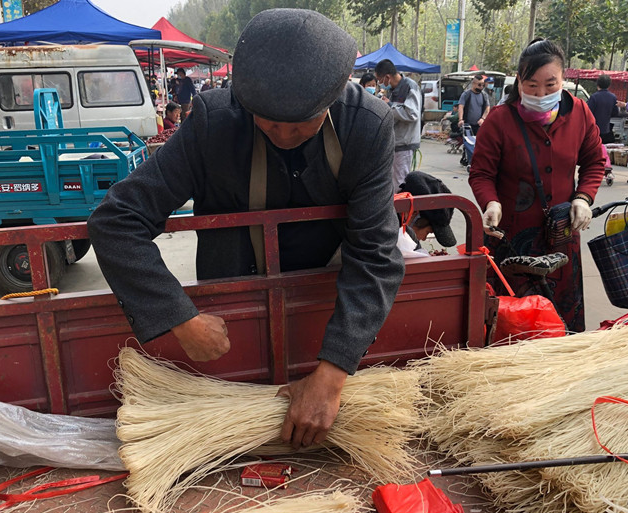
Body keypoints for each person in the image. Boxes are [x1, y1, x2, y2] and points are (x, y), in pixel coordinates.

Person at [87, 9, 404, 451]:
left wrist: (332, 376)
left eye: (300, 123)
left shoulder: (367, 127)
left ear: (334, 96)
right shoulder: (214, 122)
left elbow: (375, 254)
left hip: (330, 314)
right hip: (235, 320)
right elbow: (117, 220)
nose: (282, 133)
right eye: (267, 120)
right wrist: (179, 316)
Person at [469, 38, 605, 333]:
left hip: (561, 236)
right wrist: (490, 202)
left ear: (563, 80)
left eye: (550, 85)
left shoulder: (580, 113)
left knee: (562, 319)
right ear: (519, 81)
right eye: (531, 85)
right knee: (513, 321)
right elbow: (481, 173)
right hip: (511, 238)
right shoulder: (500, 120)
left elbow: (595, 161)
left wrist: (583, 197)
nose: (540, 93)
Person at [374, 58, 421, 192]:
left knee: (400, 182)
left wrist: (389, 105)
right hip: (394, 142)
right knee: (391, 181)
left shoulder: (410, 87)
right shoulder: (392, 90)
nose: (380, 84)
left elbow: (412, 113)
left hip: (405, 142)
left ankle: (400, 212)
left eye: (380, 80)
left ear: (387, 77)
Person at [587, 74, 619, 144]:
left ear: (597, 84)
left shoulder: (594, 97)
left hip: (593, 129)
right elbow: (615, 113)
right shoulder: (613, 97)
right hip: (606, 129)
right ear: (609, 85)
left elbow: (588, 113)